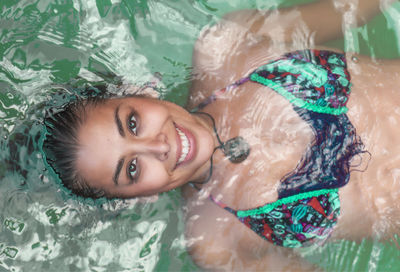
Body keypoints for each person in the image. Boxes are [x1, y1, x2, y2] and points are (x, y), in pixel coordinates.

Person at [44, 0, 400, 270]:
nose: (157, 146)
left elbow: (353, 9)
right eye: (132, 169)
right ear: (136, 198)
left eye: (133, 123)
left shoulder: (228, 46)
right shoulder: (216, 240)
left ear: (138, 92)